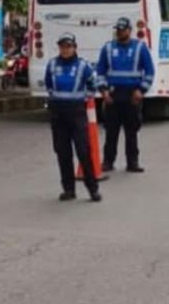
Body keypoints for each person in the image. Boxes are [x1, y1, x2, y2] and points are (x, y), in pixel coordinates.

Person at [45, 33, 102, 202]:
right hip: (58, 113)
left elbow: (93, 84)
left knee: (83, 151)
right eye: (62, 46)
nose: (65, 50)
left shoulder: (83, 66)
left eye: (68, 46)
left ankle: (93, 189)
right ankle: (69, 189)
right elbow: (48, 84)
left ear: (74, 48)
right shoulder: (52, 64)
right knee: (62, 152)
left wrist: (84, 98)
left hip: (77, 112)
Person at [95, 17, 155, 172]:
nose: (121, 32)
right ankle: (108, 162)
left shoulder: (140, 48)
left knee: (131, 132)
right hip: (113, 95)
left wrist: (141, 90)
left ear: (130, 30)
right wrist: (103, 90)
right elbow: (100, 71)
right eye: (119, 30)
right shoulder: (108, 48)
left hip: (132, 95)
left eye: (124, 29)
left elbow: (149, 71)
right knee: (111, 131)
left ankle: (132, 162)